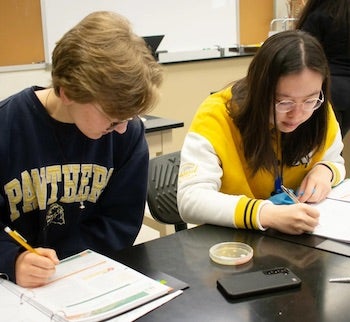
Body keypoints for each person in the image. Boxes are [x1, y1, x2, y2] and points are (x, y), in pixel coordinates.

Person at [0, 11, 163, 287]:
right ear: (68, 93)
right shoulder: (7, 128)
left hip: (86, 277)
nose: (122, 128)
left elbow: (120, 222)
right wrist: (11, 259)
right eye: (113, 119)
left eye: (129, 118)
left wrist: (65, 262)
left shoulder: (128, 134)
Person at [177, 30, 345, 236]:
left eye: (310, 99)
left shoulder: (319, 112)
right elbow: (190, 200)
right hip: (233, 243)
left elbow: (336, 161)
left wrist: (325, 171)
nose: (298, 113)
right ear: (259, 90)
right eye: (284, 102)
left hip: (294, 243)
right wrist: (265, 214)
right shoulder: (217, 116)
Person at [295, 0, 350, 137]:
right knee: (336, 144)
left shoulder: (320, 15)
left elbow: (302, 51)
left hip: (329, 90)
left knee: (324, 146)